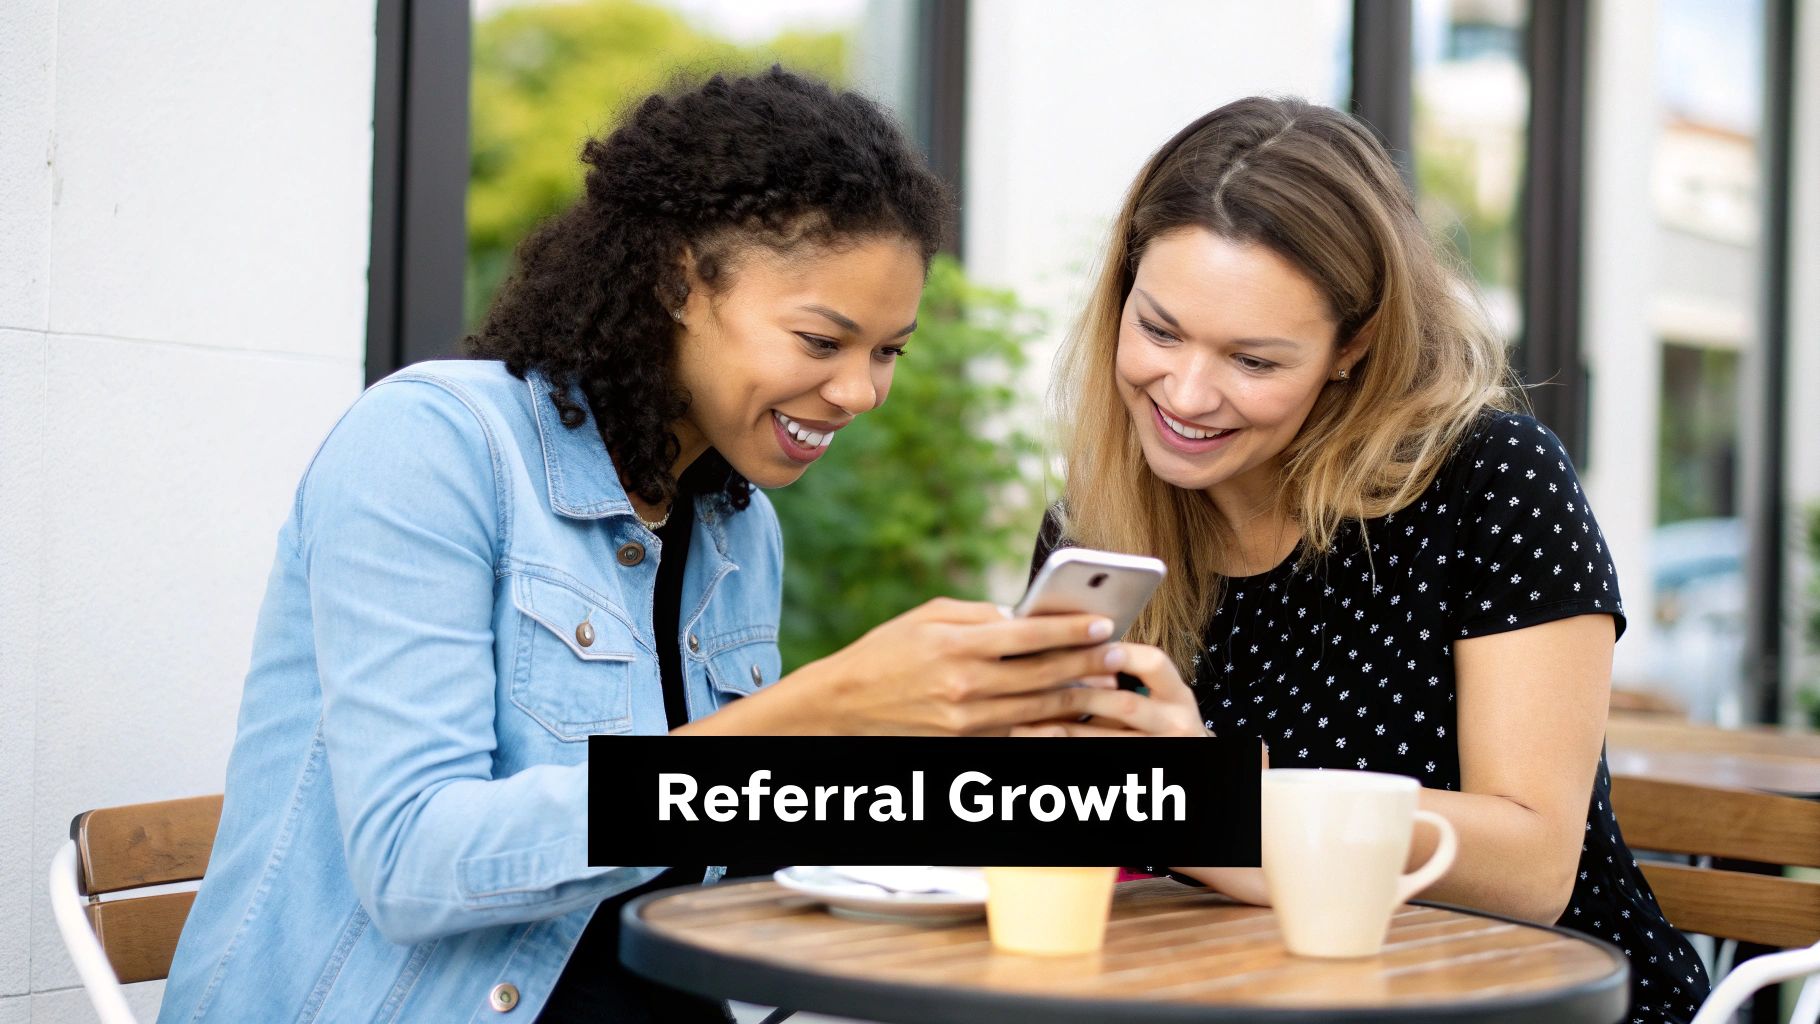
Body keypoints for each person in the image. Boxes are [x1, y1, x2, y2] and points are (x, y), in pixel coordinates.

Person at [158, 68, 1140, 1024]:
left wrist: (912, 752)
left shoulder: (732, 521)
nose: (859, 393)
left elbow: (719, 847)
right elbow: (414, 862)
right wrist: (814, 708)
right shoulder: (431, 446)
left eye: (886, 350)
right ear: (677, 280)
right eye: (818, 341)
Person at [1020, 96, 1710, 1023]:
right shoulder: (1097, 523)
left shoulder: (1489, 480)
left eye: (1253, 361)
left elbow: (1534, 866)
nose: (1185, 393)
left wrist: (1204, 796)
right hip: (1227, 996)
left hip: (1516, 1003)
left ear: (1354, 347)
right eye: (1159, 330)